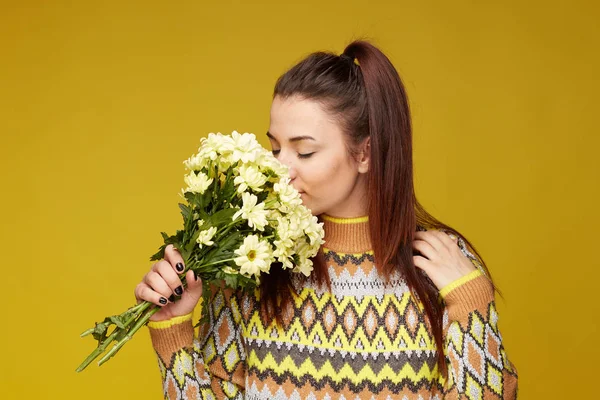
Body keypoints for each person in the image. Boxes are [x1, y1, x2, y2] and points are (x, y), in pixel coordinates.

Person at [134, 40, 519, 399]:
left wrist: (472, 301)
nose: (279, 170)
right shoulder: (250, 262)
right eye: (275, 147)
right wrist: (173, 329)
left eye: (304, 152)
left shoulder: (442, 266)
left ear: (365, 154)